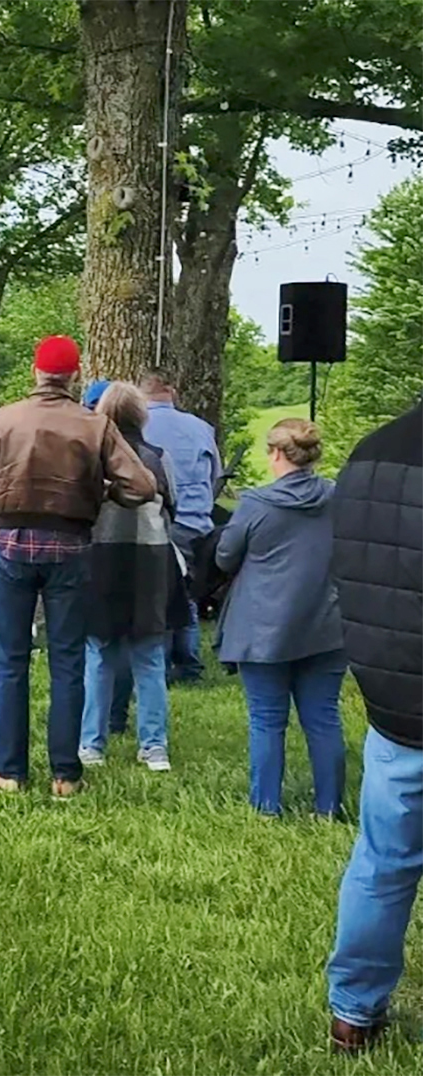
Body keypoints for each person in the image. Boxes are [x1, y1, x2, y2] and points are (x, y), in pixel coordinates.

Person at [0, 336, 155, 797]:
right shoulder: (94, 424)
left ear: (36, 372)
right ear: (74, 376)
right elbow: (143, 486)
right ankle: (65, 774)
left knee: (11, 658)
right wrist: (106, 492)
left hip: (11, 541)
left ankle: (10, 770)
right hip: (71, 545)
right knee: (68, 659)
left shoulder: (2, 419)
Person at [324, 403, 422, 1054]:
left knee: (382, 861)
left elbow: (351, 571)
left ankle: (353, 1012)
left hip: (395, 699)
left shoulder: (369, 454)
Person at [215, 417, 345, 817]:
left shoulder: (257, 503)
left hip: (262, 627)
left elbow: (224, 557)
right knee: (323, 717)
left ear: (275, 454)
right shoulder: (340, 498)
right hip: (326, 621)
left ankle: (267, 806)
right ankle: (330, 806)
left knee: (267, 720)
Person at [78, 383, 185, 771]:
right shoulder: (158, 458)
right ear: (141, 416)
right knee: (150, 656)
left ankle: (91, 743)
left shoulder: (90, 458)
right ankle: (154, 746)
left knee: (100, 654)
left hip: (101, 559)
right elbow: (173, 505)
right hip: (150, 560)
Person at [140, 368, 221, 681]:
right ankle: (188, 663)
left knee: (155, 596)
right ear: (171, 390)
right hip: (196, 524)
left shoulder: (136, 426)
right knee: (187, 594)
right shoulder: (201, 427)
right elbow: (215, 476)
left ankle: (158, 663)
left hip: (156, 522)